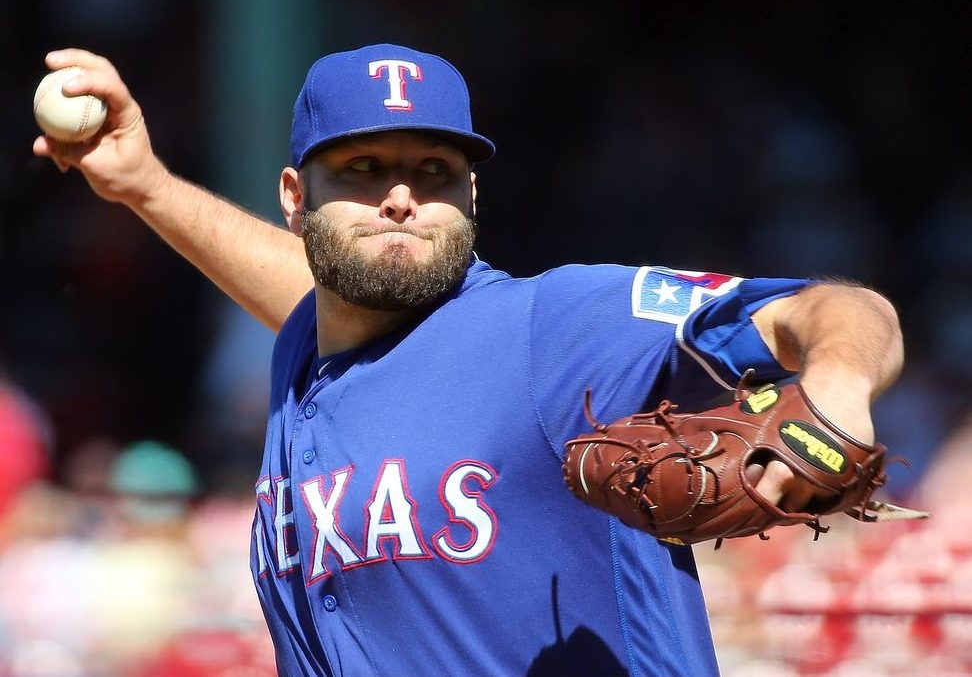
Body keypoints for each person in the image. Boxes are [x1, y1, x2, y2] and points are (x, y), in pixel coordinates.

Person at [33, 44, 906, 677]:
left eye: (435, 171)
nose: (403, 198)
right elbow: (320, 284)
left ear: (473, 193)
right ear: (296, 200)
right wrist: (143, 184)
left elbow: (837, 311)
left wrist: (833, 383)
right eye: (364, 169)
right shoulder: (313, 341)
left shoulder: (555, 326)